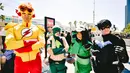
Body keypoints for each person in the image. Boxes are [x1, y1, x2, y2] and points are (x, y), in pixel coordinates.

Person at [4, 2, 45, 73]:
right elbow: (9, 44)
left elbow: (42, 43)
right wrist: (30, 42)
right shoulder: (13, 28)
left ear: (33, 15)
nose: (26, 16)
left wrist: (22, 49)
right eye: (24, 13)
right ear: (20, 13)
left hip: (35, 60)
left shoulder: (38, 28)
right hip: (20, 61)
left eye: (29, 14)